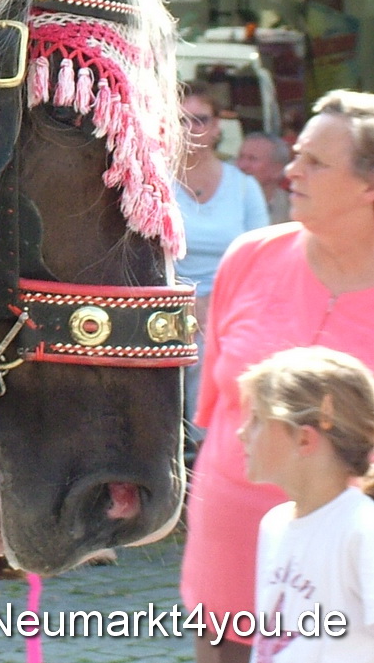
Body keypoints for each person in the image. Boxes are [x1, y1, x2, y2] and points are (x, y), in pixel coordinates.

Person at [181, 91, 374, 663]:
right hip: (229, 544)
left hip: (345, 571)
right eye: (296, 154)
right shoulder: (249, 257)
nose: (292, 170)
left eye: (316, 162)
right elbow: (217, 409)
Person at [239, 346, 374, 662]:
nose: (242, 432)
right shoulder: (274, 524)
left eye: (257, 419)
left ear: (304, 440)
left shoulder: (363, 530)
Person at [176, 82, 270, 419]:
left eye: (199, 119)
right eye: (179, 120)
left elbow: (263, 262)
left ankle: (206, 449)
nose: (188, 129)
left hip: (228, 307)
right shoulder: (151, 180)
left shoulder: (244, 187)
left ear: (217, 127)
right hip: (163, 305)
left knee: (216, 344)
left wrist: (213, 306)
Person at [238, 133, 294, 226]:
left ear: (277, 169)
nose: (242, 165)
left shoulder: (292, 210)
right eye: (240, 157)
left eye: (252, 159)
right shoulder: (220, 200)